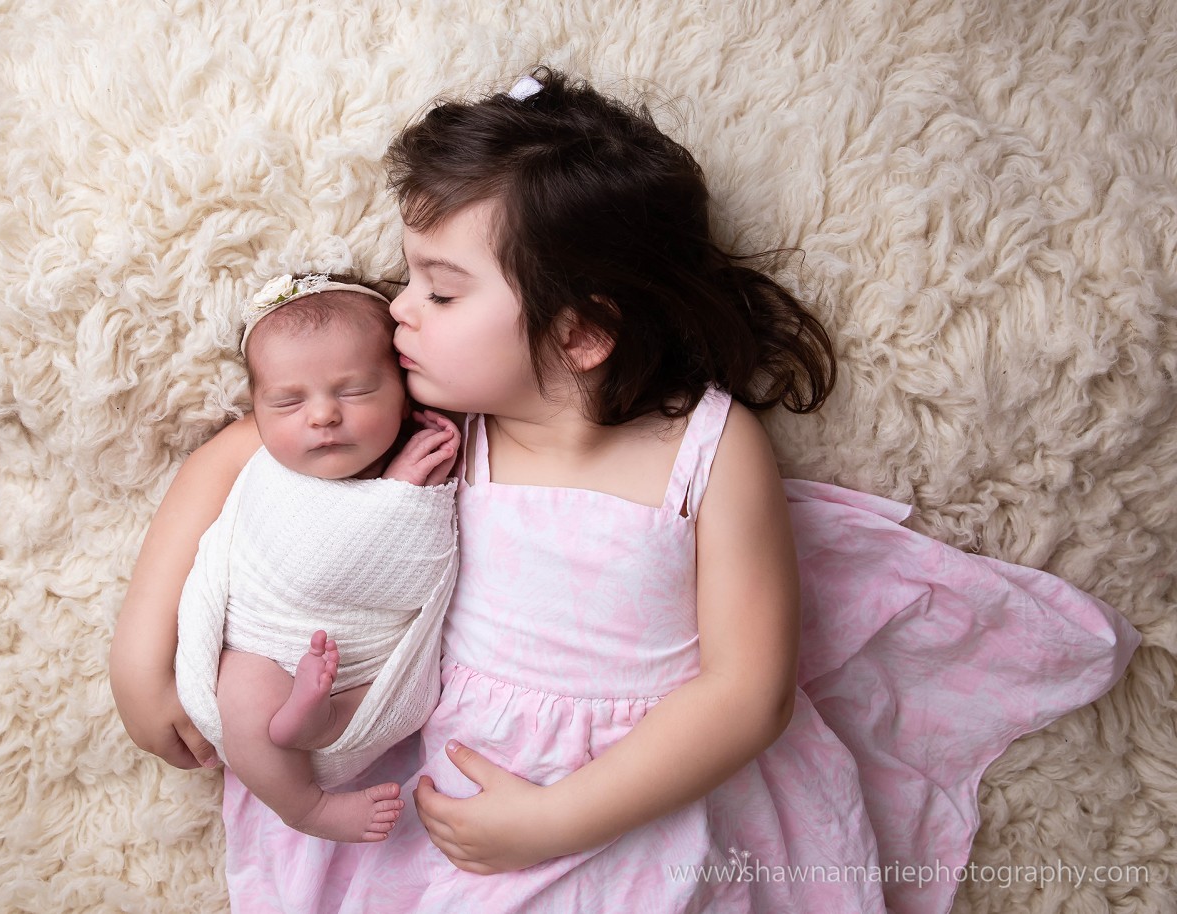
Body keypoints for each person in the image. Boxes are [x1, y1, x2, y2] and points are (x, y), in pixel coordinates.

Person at [110, 68, 1137, 912]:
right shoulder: (431, 424)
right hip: (442, 781)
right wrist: (141, 654)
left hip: (643, 791)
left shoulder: (706, 448)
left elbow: (747, 690)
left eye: (439, 287)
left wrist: (562, 817)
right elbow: (227, 461)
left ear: (579, 331)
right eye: (407, 276)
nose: (398, 309)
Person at [170, 274, 461, 844]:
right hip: (260, 648)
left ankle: (325, 716)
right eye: (288, 402)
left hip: (362, 677)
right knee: (244, 690)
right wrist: (391, 499)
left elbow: (411, 564)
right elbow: (290, 553)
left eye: (353, 392)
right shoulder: (262, 471)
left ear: (405, 394)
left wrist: (404, 491)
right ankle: (304, 807)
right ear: (256, 410)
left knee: (413, 693)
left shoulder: (418, 458)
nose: (323, 416)